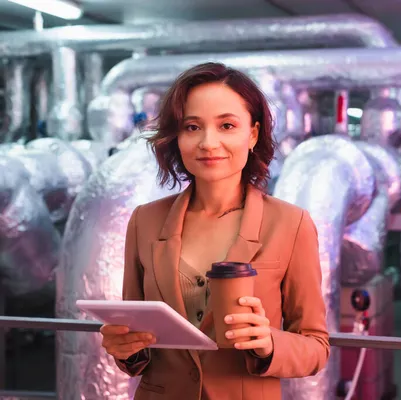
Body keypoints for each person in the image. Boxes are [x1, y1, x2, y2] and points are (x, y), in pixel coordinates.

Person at [99, 62, 330, 399]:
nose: (208, 142)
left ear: (252, 134)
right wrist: (125, 348)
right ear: (177, 137)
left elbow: (316, 347)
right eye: (192, 127)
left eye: (226, 125)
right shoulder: (144, 221)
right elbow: (137, 338)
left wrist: (269, 343)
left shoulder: (290, 224)